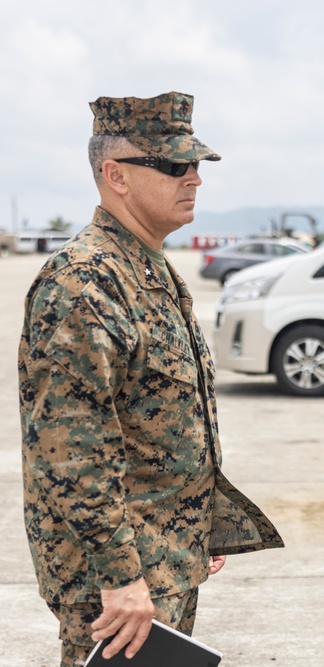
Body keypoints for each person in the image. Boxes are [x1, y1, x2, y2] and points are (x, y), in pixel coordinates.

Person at [19, 91, 284, 667]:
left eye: (195, 164)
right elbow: (71, 451)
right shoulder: (84, 283)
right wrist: (119, 577)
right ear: (115, 175)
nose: (192, 177)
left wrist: (201, 524)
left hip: (162, 559)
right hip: (118, 581)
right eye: (171, 165)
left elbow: (160, 421)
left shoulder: (148, 268)